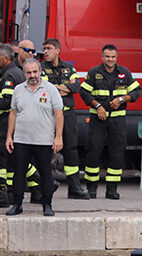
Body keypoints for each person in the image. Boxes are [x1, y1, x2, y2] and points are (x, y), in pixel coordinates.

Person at [79, 44, 140, 199]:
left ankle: (111, 190)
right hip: (97, 119)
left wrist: (122, 99)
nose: (110, 59)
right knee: (93, 151)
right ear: (102, 57)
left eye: (113, 57)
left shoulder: (124, 73)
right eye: (107, 56)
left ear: (116, 57)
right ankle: (91, 190)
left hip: (118, 120)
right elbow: (84, 92)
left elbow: (137, 91)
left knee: (117, 153)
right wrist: (98, 106)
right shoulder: (94, 73)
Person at [5, 59, 63, 217]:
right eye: (29, 72)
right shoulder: (18, 89)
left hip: (43, 140)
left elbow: (58, 113)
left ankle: (47, 205)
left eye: (35, 72)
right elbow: (13, 113)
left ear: (40, 71)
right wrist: (9, 136)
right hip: (21, 139)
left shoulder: (50, 89)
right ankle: (17, 205)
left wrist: (58, 137)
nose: (32, 75)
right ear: (24, 73)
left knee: (46, 173)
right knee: (19, 173)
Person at [41, 37, 89, 199]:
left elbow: (77, 86)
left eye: (48, 48)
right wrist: (65, 88)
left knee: (71, 150)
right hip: (49, 116)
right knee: (45, 151)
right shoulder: (41, 68)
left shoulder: (69, 67)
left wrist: (61, 88)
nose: (45, 52)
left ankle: (74, 188)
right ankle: (43, 189)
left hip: (68, 115)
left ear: (57, 50)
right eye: (44, 49)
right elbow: (46, 88)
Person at [0, 43, 26, 208]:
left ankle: (1, 193)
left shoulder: (9, 76)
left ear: (5, 58)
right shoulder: (14, 72)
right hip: (13, 122)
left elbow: (7, 102)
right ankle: (12, 192)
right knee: (12, 159)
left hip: (7, 122)